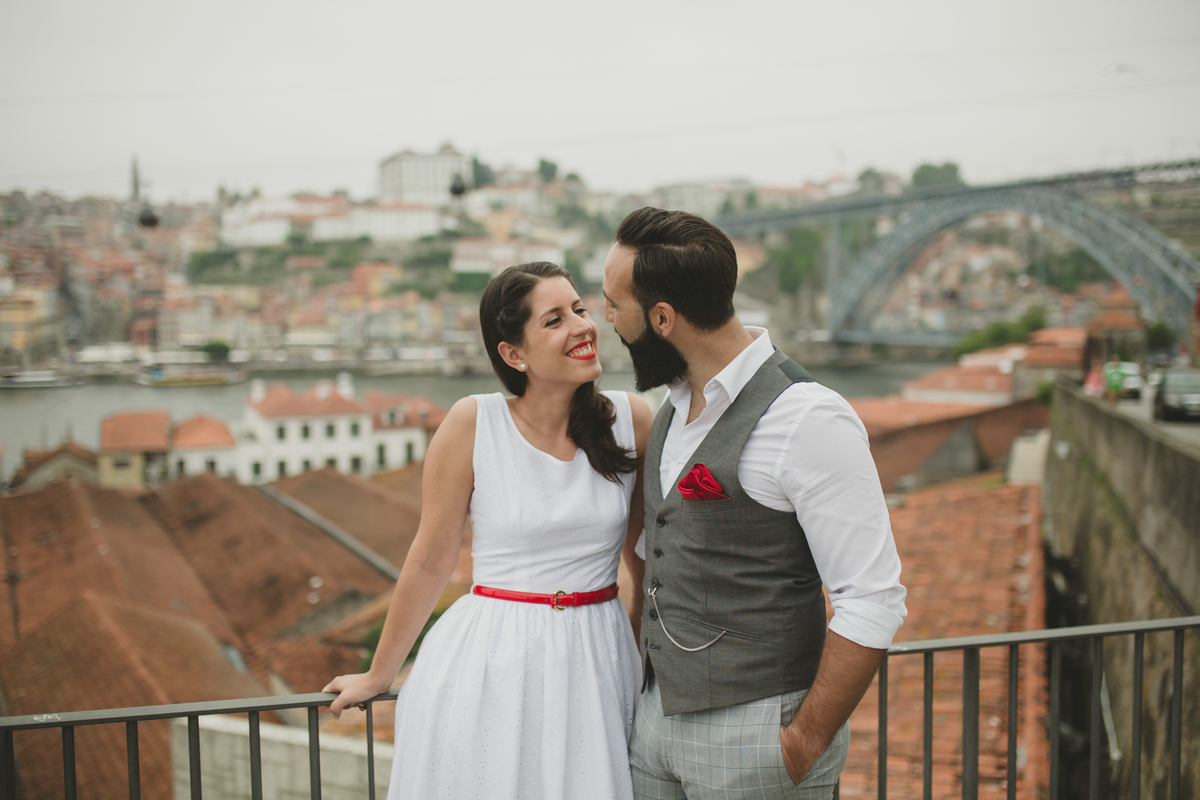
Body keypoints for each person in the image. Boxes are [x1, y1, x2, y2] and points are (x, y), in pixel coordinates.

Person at [601, 208, 908, 800]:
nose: (606, 318)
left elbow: (872, 599)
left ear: (663, 318)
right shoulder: (671, 410)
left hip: (758, 741)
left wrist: (802, 743)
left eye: (616, 304)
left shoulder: (808, 418)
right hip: (653, 728)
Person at [324, 261, 652, 799]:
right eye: (553, 320)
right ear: (513, 353)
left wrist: (640, 670)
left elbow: (643, 565)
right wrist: (379, 675)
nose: (581, 326)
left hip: (598, 659)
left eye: (579, 309)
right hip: (491, 662)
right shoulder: (473, 422)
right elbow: (431, 558)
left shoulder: (631, 419)